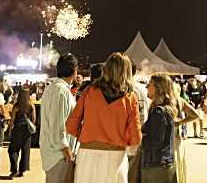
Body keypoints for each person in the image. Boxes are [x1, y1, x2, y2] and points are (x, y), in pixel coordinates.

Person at [66, 52, 141, 183]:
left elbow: (71, 125)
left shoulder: (89, 91)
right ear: (126, 72)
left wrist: (87, 133)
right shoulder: (130, 98)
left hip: (87, 155)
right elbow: (136, 138)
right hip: (115, 157)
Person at [40, 53, 79, 183]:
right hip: (59, 155)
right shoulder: (60, 91)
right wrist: (66, 149)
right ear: (74, 71)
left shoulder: (53, 88)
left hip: (57, 152)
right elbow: (57, 124)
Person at [141, 74, 177, 183]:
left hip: (156, 165)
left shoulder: (158, 111)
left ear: (158, 88)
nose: (147, 87)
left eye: (149, 85)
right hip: (163, 163)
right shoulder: (166, 109)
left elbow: (154, 143)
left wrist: (140, 137)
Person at [8, 88, 36, 178]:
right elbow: (34, 119)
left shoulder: (16, 106)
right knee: (25, 150)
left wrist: (9, 130)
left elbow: (12, 120)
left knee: (12, 149)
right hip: (27, 130)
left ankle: (14, 169)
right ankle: (22, 171)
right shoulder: (31, 105)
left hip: (18, 129)